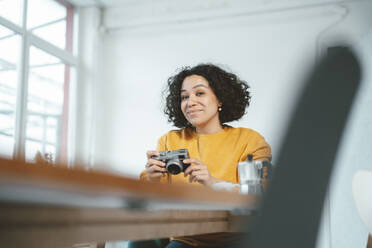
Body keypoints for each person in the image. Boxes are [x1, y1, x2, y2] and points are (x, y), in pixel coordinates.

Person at [132, 63, 272, 248]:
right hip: (186, 240)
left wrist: (212, 182)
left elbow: (258, 197)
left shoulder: (249, 140)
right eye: (184, 97)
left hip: (236, 240)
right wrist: (151, 179)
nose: (190, 102)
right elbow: (149, 203)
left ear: (220, 99)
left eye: (200, 93)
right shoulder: (170, 140)